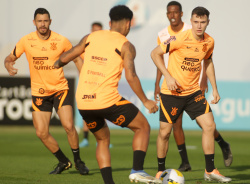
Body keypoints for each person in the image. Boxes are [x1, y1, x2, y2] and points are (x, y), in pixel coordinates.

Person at [54, 5, 161, 184]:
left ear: (110, 22)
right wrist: (145, 100)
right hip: (107, 100)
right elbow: (131, 75)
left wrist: (57, 63)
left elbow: (68, 56)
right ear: (128, 24)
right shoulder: (127, 45)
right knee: (142, 127)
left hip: (84, 102)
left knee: (102, 140)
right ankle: (137, 170)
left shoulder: (90, 37)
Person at [151, 6, 232, 183]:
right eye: (196, 21)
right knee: (165, 133)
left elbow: (208, 62)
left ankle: (210, 170)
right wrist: (168, 76)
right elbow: (155, 54)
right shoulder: (179, 39)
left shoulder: (209, 42)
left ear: (208, 22)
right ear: (191, 21)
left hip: (193, 92)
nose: (199, 26)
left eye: (203, 22)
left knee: (210, 126)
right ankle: (159, 172)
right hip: (171, 93)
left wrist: (215, 88)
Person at [4, 8, 89, 175]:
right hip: (39, 92)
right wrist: (8, 65)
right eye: (39, 21)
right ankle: (64, 162)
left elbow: (77, 58)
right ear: (34, 22)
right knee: (41, 133)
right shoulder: (26, 41)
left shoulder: (61, 40)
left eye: (45, 21)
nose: (42, 24)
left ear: (50, 22)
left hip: (59, 89)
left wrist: (85, 81)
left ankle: (78, 161)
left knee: (69, 126)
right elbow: (10, 57)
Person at [79, 21, 103, 148]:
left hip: (101, 84)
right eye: (94, 30)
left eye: (99, 31)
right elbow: (79, 63)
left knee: (103, 110)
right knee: (87, 113)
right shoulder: (85, 47)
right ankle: (85, 139)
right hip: (87, 85)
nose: (96, 33)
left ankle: (102, 139)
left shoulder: (105, 47)